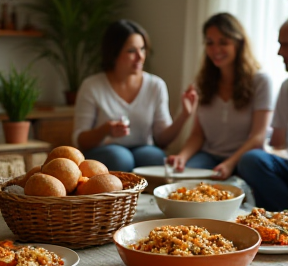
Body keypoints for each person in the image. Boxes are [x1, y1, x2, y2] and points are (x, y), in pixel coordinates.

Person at [72, 19, 197, 171]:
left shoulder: (155, 85)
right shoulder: (92, 86)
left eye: (143, 49)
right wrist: (105, 130)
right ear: (114, 53)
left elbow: (162, 140)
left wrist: (184, 115)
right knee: (121, 158)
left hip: (143, 148)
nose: (140, 57)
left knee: (156, 157)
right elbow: (79, 141)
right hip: (105, 151)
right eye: (131, 51)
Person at [167, 12, 273, 180]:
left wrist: (230, 164)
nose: (215, 49)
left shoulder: (260, 81)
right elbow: (197, 135)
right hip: (209, 156)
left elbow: (258, 137)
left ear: (238, 44)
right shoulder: (203, 82)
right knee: (181, 179)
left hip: (244, 159)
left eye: (223, 42)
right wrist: (182, 157)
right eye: (210, 43)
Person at [237, 19, 288, 211]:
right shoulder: (286, 87)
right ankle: (279, 218)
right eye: (279, 44)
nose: (279, 52)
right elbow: (278, 144)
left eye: (286, 45)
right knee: (252, 160)